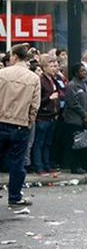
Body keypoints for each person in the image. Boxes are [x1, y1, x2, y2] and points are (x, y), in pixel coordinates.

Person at [0, 43, 41, 206]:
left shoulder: (2, 74)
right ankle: (15, 196)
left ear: (15, 57)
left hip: (1, 121)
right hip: (20, 124)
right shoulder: (33, 78)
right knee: (17, 163)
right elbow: (35, 105)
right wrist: (29, 121)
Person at [63, 63, 87, 174]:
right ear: (76, 72)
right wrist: (84, 114)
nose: (84, 73)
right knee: (75, 144)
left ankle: (86, 164)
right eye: (82, 71)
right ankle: (75, 166)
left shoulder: (84, 85)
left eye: (85, 70)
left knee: (85, 144)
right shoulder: (72, 85)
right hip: (74, 119)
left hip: (84, 119)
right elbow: (73, 103)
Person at [32, 55, 61, 175]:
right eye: (51, 66)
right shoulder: (41, 80)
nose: (54, 68)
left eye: (55, 66)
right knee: (40, 142)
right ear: (44, 67)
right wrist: (49, 98)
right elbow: (37, 99)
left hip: (52, 115)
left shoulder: (52, 80)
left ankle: (47, 164)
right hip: (43, 116)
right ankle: (39, 166)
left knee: (48, 142)